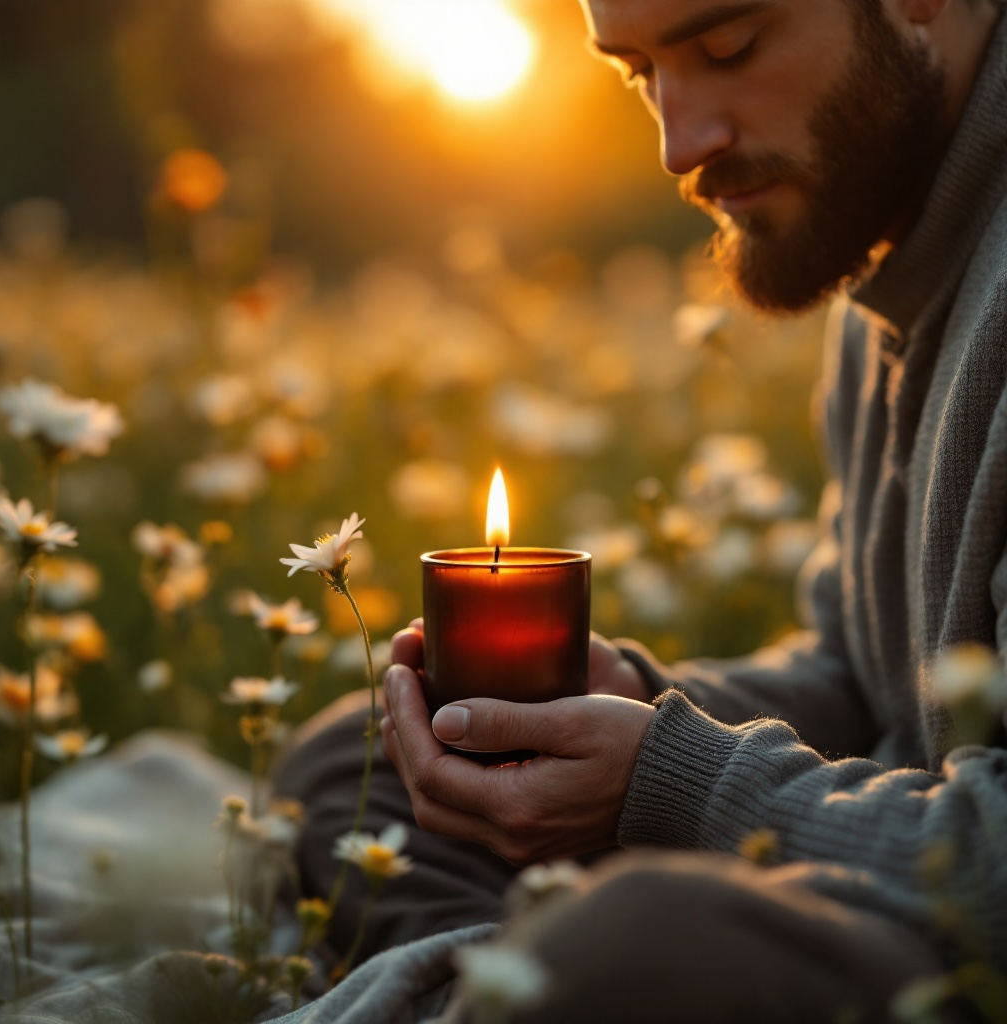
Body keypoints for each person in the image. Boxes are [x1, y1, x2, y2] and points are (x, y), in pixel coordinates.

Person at [276, 0, 1007, 1019]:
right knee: (357, 761)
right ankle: (506, 984)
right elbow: (861, 674)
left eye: (726, 48)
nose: (678, 143)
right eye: (637, 72)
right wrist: (631, 700)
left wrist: (671, 779)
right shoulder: (883, 248)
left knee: (638, 939)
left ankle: (510, 982)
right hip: (882, 862)